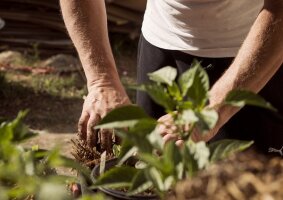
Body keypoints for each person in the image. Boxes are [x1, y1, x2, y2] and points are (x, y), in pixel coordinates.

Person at [60, 0, 283, 153]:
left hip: (255, 58)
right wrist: (102, 81)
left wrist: (211, 110)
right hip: (160, 46)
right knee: (155, 178)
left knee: (246, 187)